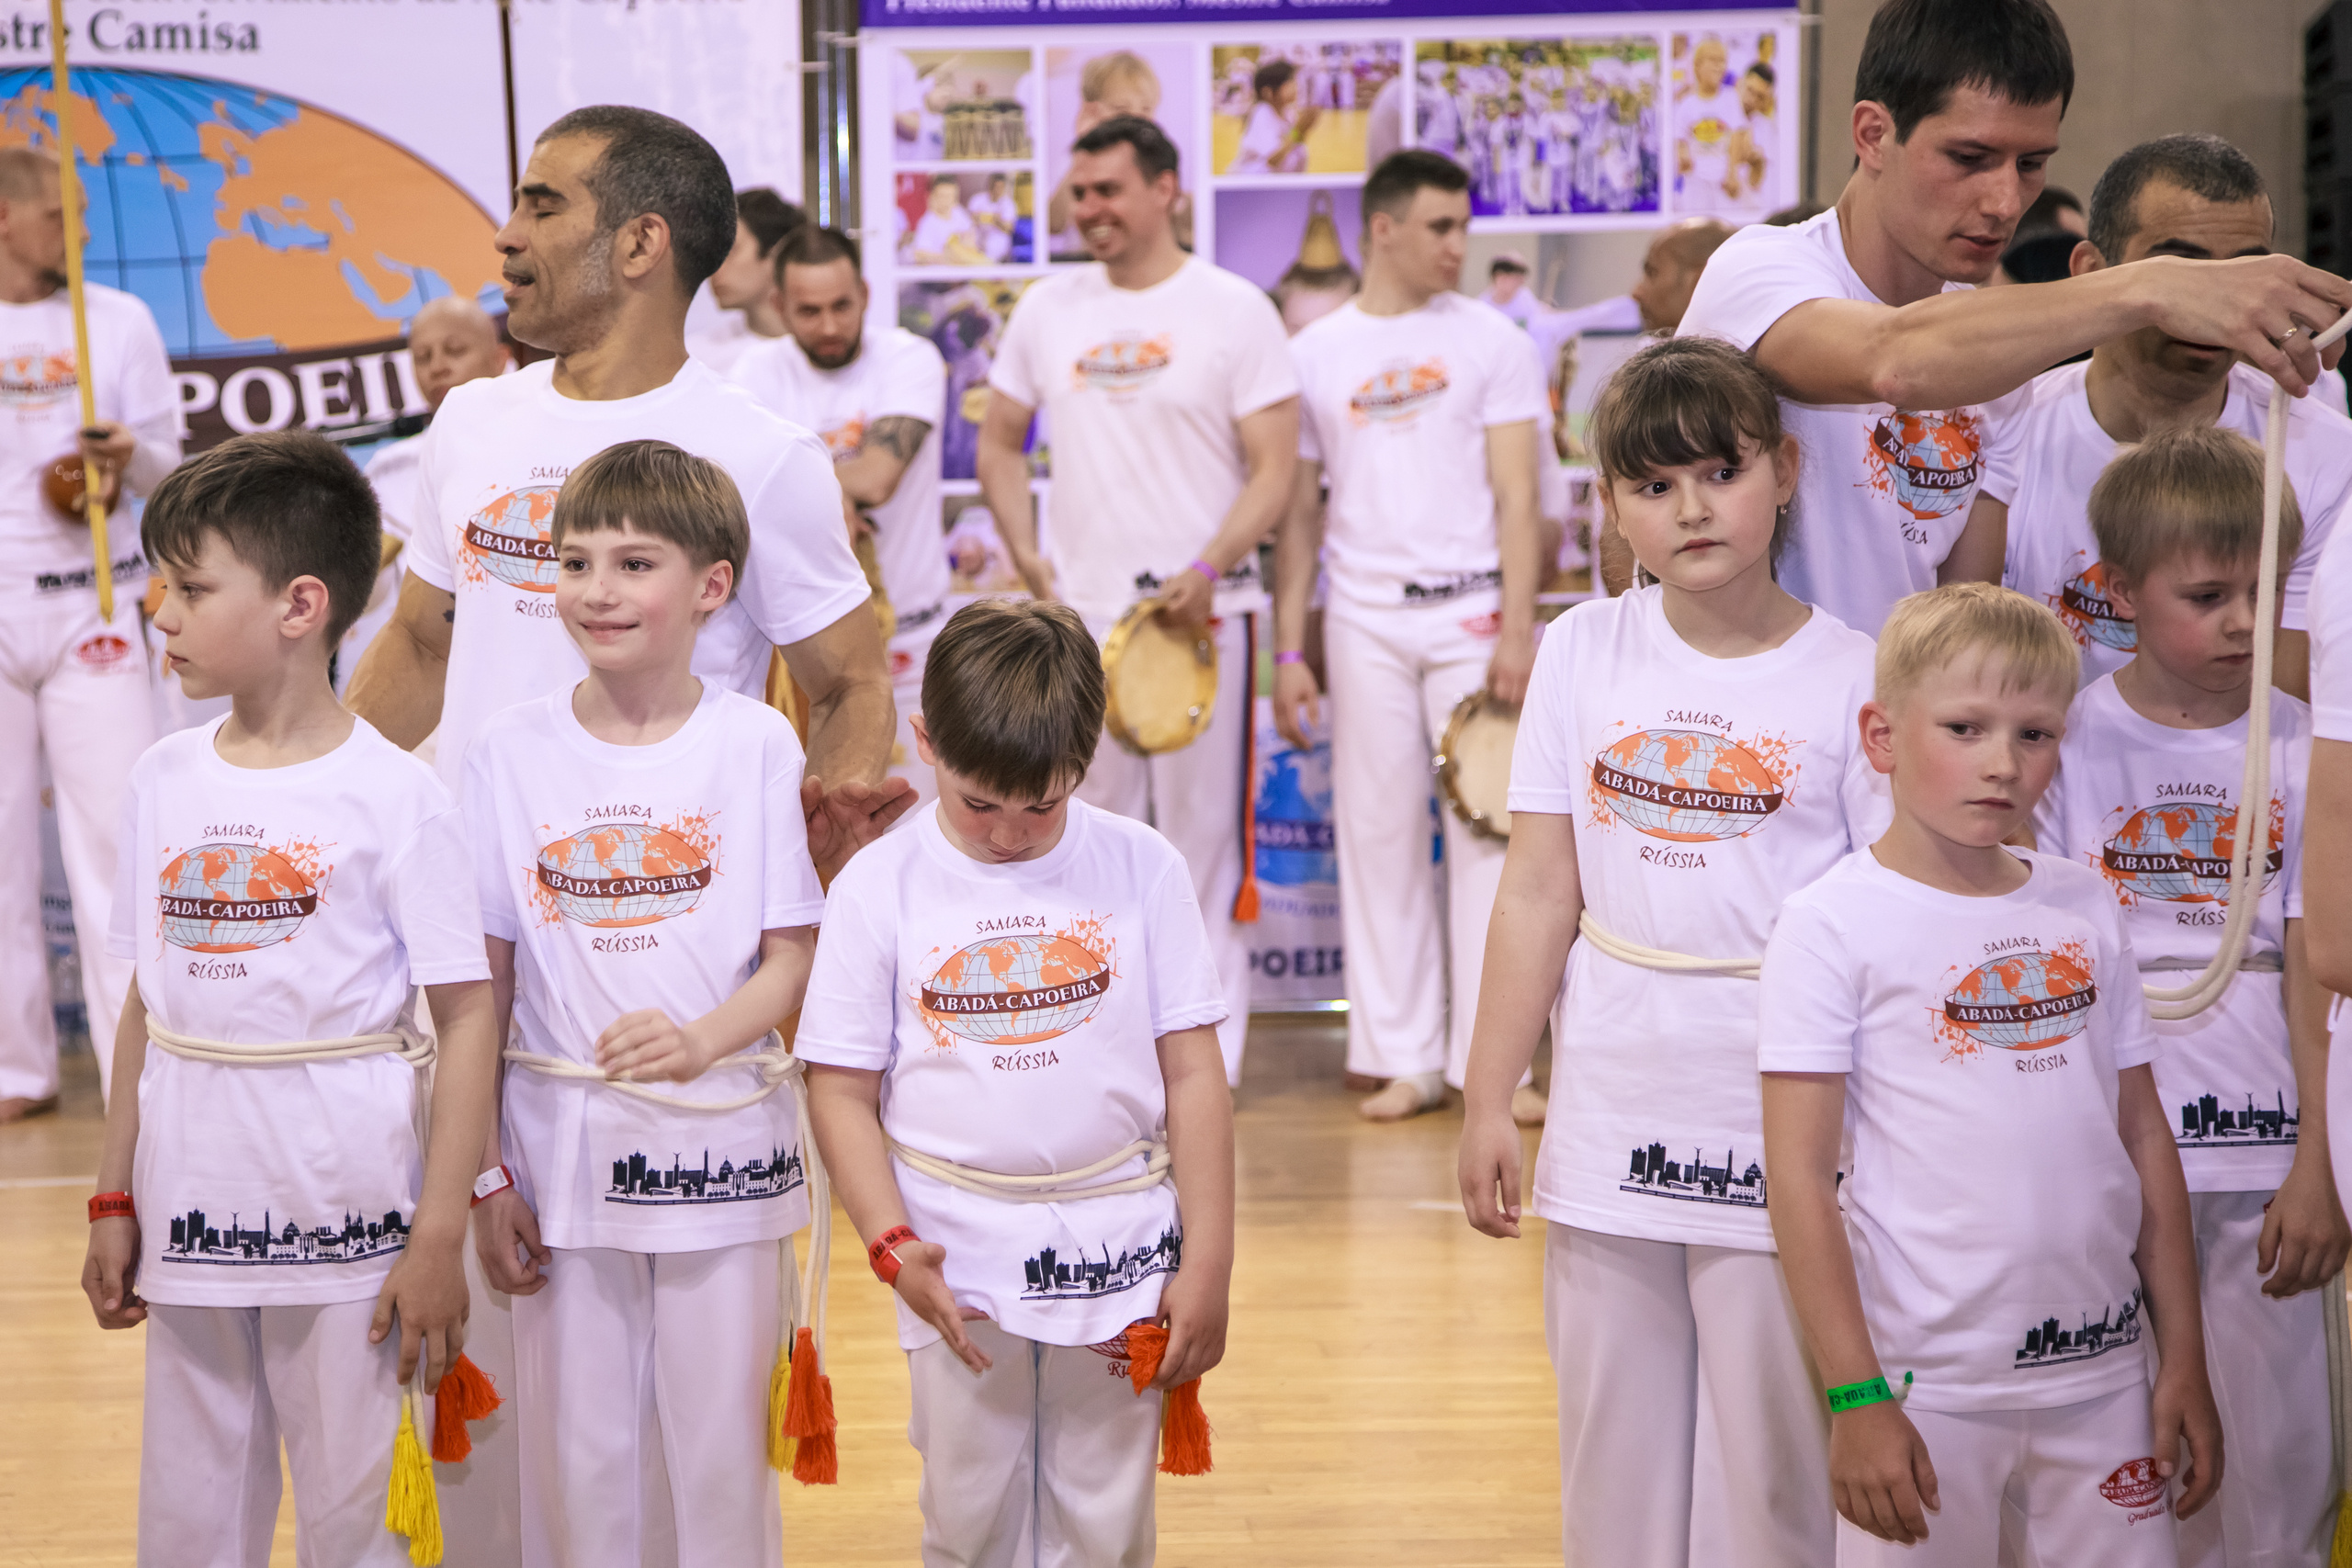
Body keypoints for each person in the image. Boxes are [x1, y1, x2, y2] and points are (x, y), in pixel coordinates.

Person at [1459, 337, 1888, 1566]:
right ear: (1610, 506)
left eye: (1720, 469)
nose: (1692, 506)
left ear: (1787, 470)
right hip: (1609, 1100)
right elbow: (1538, 888)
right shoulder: (1582, 650)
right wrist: (1492, 1095)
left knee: (1772, 1469)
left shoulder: (1856, 673)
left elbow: (1874, 932)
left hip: (1784, 1122)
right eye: (1652, 484)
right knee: (1613, 1462)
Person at [81, 430, 500, 1562]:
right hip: (189, 1204)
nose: (160, 612)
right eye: (159, 582)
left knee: (358, 1518)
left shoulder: (397, 797)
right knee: (188, 1514)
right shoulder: (160, 778)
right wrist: (113, 1197)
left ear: (300, 604)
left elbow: (466, 1018)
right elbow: (143, 1007)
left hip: (352, 1217)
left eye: (193, 585)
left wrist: (439, 1232)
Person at [1758, 581, 2219, 1564]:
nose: (2002, 764)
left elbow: (2142, 1138)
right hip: (1925, 1392)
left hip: (2101, 1378)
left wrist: (2181, 1357)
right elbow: (1795, 1179)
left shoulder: (2084, 904)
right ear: (1880, 736)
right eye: (1964, 728)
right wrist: (1855, 1396)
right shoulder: (1827, 924)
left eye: (2035, 734)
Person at [345, 106, 901, 883]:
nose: (507, 235)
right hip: (471, 911)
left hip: (665, 909)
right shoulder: (469, 419)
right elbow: (422, 643)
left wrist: (821, 831)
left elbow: (850, 682)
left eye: (542, 206)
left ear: (641, 243)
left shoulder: (764, 454)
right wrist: (326, 791)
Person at [1678, 0, 2352, 639]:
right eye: (1970, 159)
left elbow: (1960, 621)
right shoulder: (1760, 268)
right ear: (1873, 135)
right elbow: (1892, 361)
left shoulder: (1994, 356)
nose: (2006, 201)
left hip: (1893, 738)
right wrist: (2152, 285)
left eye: (2031, 164)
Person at [797, 597, 1235, 1567]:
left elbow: (1195, 1075)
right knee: (967, 1514)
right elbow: (837, 1088)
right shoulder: (879, 884)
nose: (1008, 834)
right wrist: (889, 1244)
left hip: (1119, 1239)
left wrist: (1207, 1261)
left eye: (1042, 803)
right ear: (925, 743)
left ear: (1088, 758)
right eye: (977, 804)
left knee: (1106, 1517)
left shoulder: (1142, 868)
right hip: (952, 1249)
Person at [462, 441, 825, 1567]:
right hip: (562, 1163)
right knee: (582, 1472)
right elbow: (482, 987)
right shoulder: (507, 751)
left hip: (722, 1162)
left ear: (712, 588)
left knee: (720, 1470)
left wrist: (701, 1039)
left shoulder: (756, 740)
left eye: (633, 563)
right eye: (575, 563)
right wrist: (483, 1172)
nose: (597, 591)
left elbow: (791, 960)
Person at [2032, 427, 2344, 1568]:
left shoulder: (2313, 750)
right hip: (2109, 1145)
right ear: (2116, 592)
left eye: (2265, 591)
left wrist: (2319, 1164)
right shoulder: (2060, 747)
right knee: (2118, 1473)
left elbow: (2318, 968)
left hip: (2266, 1160)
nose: (2244, 624)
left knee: (2280, 1467)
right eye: (2207, 595)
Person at [977, 116, 1298, 1089]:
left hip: (1205, 622)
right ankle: (1098, 1055)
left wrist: (1206, 569)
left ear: (1167, 189)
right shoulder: (1046, 308)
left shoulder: (1234, 309)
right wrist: (1030, 562)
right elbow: (998, 444)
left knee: (1198, 856)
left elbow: (1276, 470)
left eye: (1108, 190)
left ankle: (1207, 1072)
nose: (1090, 211)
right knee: (1075, 839)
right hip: (1080, 633)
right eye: (1079, 194)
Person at [1275, 151, 1545, 1125]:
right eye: (1439, 227)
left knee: (1488, 836)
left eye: (1462, 228)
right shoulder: (1313, 352)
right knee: (1378, 833)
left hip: (1472, 610)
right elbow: (1299, 517)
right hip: (1361, 618)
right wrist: (1290, 651)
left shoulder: (1491, 339)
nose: (1457, 245)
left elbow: (1521, 496)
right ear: (1381, 227)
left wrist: (1518, 625)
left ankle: (1496, 1068)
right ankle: (1402, 1057)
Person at [2006, 135, 2352, 703]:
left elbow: (2284, 718)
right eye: (2182, 271)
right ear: (2092, 272)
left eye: (2242, 275)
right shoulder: (2006, 435)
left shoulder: (2326, 458)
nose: (2218, 303)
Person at [0, 145, 181, 1121]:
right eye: (60, 216)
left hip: (96, 605)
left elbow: (166, 466)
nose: (81, 231)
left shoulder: (118, 321)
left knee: (119, 842)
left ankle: (139, 1079)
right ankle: (13, 1071)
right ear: (4, 221)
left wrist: (128, 457)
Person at [733, 224, 952, 807]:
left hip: (914, 633)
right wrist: (837, 495)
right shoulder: (755, 373)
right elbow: (732, 491)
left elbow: (880, 476)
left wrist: (802, 496)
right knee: (822, 831)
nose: (828, 327)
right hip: (805, 648)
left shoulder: (909, 357)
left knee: (925, 825)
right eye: (809, 311)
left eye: (841, 306)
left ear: (866, 294)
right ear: (778, 305)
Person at [340, 297, 512, 695]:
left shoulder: (539, 449)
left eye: (455, 350)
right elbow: (368, 597)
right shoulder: (390, 469)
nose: (437, 366)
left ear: (500, 358)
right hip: (415, 680)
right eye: (422, 356)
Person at [689, 186, 803, 377]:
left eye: (730, 251)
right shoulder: (696, 359)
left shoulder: (824, 350)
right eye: (713, 254)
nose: (714, 268)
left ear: (776, 254)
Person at [1230, 58, 1317, 175]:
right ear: (1268, 92)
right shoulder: (1262, 113)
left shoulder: (1287, 112)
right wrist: (1298, 130)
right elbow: (1272, 159)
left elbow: (1294, 143)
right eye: (1289, 82)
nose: (1296, 86)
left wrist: (1304, 129)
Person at [1477, 250, 1537, 326]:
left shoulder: (1526, 299)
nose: (1521, 281)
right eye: (1516, 277)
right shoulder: (1482, 306)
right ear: (1500, 277)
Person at [969, 172, 1018, 264]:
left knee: (993, 243)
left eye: (1000, 187)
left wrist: (995, 220)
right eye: (994, 186)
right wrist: (985, 218)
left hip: (997, 237)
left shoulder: (1008, 203)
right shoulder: (978, 199)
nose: (997, 190)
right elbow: (971, 219)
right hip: (978, 234)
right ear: (989, 185)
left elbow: (1009, 228)